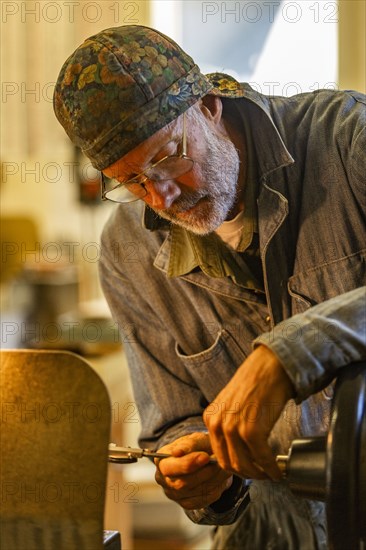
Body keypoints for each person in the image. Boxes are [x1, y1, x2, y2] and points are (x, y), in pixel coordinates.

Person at [54, 25, 366, 549]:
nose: (163, 194)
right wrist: (198, 477)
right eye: (131, 181)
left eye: (166, 156)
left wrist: (288, 354)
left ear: (209, 104)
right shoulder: (129, 252)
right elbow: (172, 423)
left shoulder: (349, 143)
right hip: (274, 527)